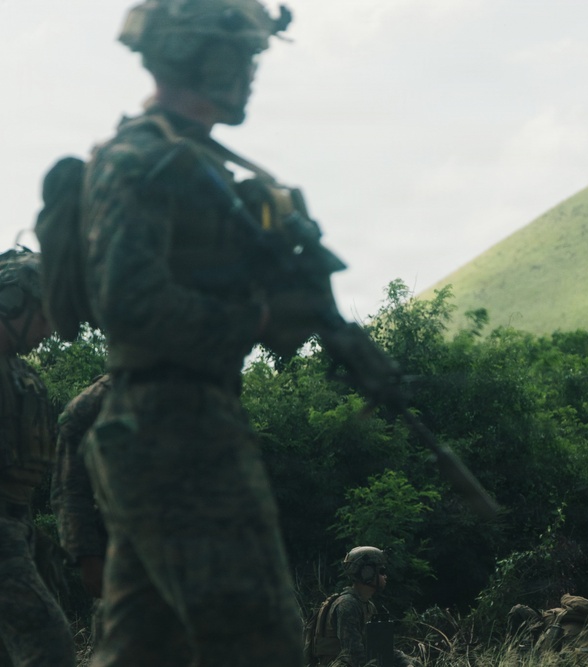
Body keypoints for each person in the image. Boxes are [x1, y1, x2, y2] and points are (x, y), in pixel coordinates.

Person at [76, 0, 317, 664]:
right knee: (261, 644)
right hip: (175, 431)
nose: (251, 73)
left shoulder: (194, 160)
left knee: (144, 650)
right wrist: (252, 320)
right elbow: (129, 300)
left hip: (174, 424)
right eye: (244, 55)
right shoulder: (143, 157)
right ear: (199, 55)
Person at [0, 248, 75, 666]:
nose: (50, 330)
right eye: (45, 316)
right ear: (11, 301)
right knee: (49, 645)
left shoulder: (18, 372)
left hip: (17, 524)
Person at [50, 374, 112, 648]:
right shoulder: (99, 399)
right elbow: (70, 488)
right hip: (122, 558)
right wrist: (87, 555)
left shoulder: (202, 390)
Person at [307, 546, 412, 667]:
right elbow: (353, 654)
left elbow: (381, 647)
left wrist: (408, 663)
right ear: (367, 573)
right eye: (382, 571)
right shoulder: (347, 605)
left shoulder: (367, 605)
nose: (385, 576)